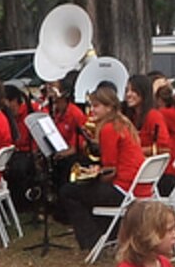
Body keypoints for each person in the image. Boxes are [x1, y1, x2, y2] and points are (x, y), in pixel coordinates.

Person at [53, 87, 145, 251]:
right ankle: (108, 233)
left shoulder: (109, 129)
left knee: (68, 192)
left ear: (109, 107)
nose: (92, 110)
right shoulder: (123, 123)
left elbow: (110, 171)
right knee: (82, 190)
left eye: (96, 106)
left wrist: (92, 175)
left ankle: (92, 239)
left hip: (123, 189)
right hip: (136, 187)